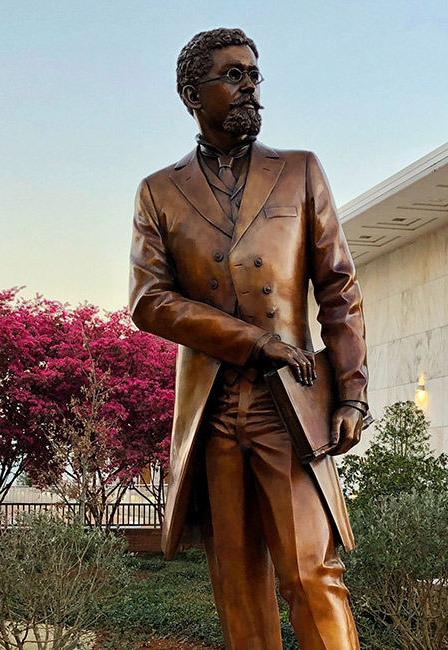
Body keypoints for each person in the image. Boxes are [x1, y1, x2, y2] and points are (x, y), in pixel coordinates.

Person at [129, 28, 367, 650]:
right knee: (238, 584)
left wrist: (353, 395)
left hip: (289, 403)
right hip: (211, 410)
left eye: (254, 75)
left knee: (311, 572)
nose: (251, 87)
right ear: (191, 94)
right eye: (233, 76)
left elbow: (339, 288)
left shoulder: (300, 172)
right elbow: (148, 302)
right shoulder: (159, 191)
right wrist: (252, 341)